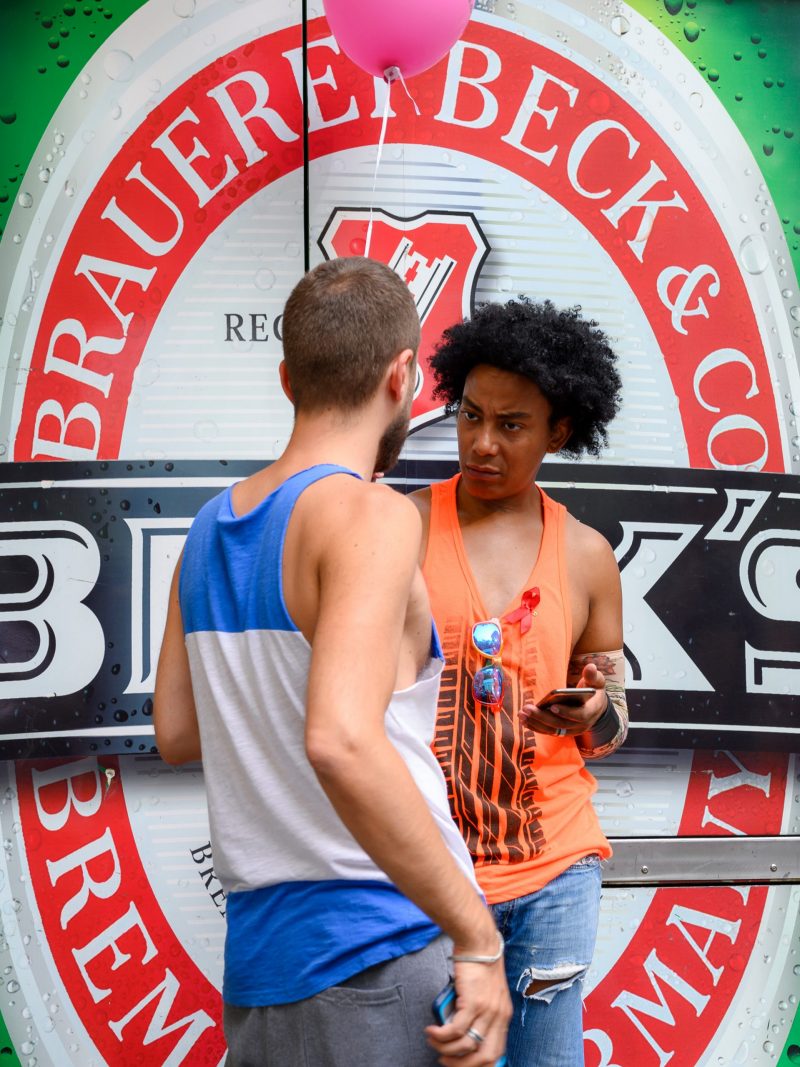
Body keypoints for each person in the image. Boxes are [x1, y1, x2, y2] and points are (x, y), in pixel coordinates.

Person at [153, 256, 511, 1067]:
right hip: (381, 949)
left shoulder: (209, 527)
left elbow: (177, 728)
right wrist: (477, 935)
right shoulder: (369, 514)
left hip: (261, 972)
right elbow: (341, 739)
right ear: (403, 378)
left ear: (287, 378)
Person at [410, 297, 628, 1067]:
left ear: (559, 432)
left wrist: (594, 708)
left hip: (556, 874)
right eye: (471, 416)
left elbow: (615, 716)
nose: (482, 443)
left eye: (512, 425)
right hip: (427, 870)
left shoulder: (587, 554)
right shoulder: (400, 528)